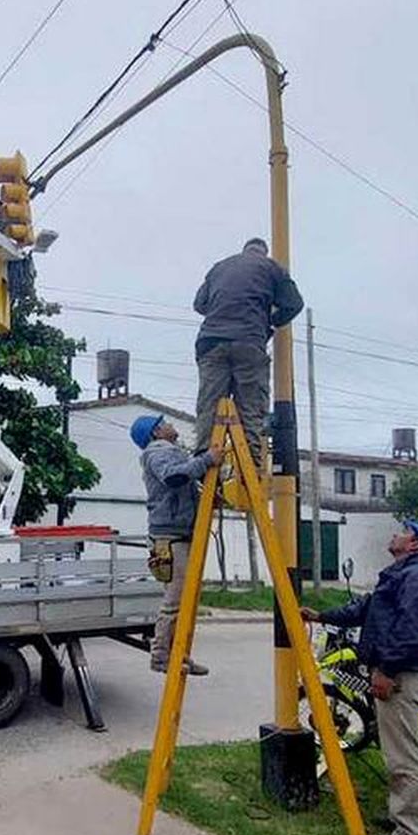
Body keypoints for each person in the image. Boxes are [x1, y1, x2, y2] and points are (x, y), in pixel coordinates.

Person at [301, 521, 418, 835]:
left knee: (403, 758)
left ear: (416, 545)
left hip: (400, 675)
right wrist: (322, 615)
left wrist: (386, 670)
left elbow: (409, 631)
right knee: (395, 752)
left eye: (405, 531)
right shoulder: (400, 575)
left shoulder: (417, 580)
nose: (396, 533)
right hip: (393, 671)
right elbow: (364, 610)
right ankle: (403, 817)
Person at [193, 236, 304, 455]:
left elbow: (199, 304)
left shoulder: (220, 267)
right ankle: (250, 459)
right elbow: (294, 304)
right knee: (250, 407)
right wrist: (272, 319)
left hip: (211, 342)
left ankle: (204, 456)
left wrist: (222, 311)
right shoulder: (273, 268)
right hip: (249, 342)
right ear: (264, 252)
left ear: (244, 250)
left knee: (210, 404)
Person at [132, 413, 222, 676]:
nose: (171, 425)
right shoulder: (158, 451)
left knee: (183, 600)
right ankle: (161, 657)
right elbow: (172, 478)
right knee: (174, 601)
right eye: (165, 423)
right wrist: (207, 460)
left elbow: (181, 487)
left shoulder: (168, 450)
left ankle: (178, 653)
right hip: (171, 537)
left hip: (177, 534)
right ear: (156, 432)